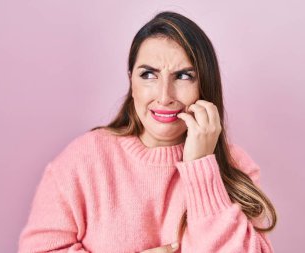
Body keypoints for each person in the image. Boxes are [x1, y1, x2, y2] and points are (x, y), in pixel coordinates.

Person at [18, 11, 277, 253]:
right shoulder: (83, 159)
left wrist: (201, 166)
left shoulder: (236, 165)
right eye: (149, 75)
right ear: (132, 81)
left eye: (184, 76)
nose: (165, 97)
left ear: (205, 85)